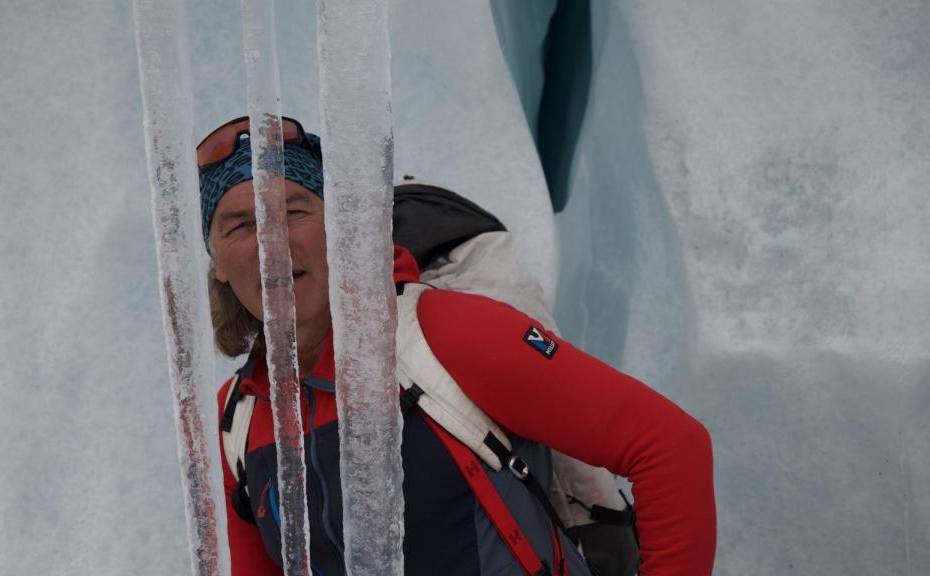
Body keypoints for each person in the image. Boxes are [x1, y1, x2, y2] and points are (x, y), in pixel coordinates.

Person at [198, 116, 717, 576]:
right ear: (218, 263)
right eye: (241, 225)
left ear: (341, 229)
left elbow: (670, 447)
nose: (273, 243)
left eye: (295, 212)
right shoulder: (239, 418)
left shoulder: (445, 335)